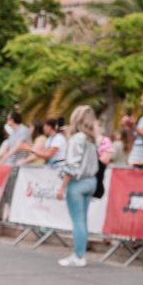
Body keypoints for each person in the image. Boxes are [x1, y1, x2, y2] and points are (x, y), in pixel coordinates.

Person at [56, 106, 100, 268]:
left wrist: (62, 187)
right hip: (90, 180)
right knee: (82, 220)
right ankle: (79, 254)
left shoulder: (77, 138)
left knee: (78, 221)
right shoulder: (91, 138)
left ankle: (79, 256)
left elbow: (72, 166)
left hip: (78, 182)